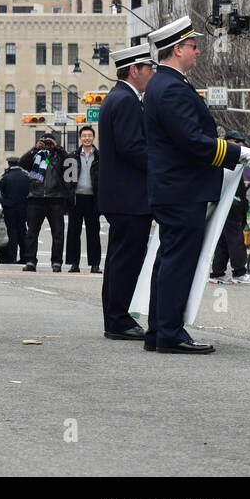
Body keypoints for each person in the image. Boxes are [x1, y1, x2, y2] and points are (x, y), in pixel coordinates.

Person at [142, 16, 250, 354]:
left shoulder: (165, 85)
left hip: (175, 187)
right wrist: (233, 152)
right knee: (178, 261)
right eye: (192, 46)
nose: (198, 51)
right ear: (177, 49)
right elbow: (192, 140)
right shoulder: (171, 88)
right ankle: (170, 333)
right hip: (181, 188)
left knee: (169, 258)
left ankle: (159, 330)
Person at [98, 44, 155, 341]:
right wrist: (161, 165)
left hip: (121, 195)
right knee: (127, 258)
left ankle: (114, 317)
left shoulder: (117, 98)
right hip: (129, 197)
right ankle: (119, 320)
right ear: (134, 70)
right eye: (149, 68)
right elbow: (132, 148)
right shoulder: (126, 101)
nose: (152, 73)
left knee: (118, 258)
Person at [19, 132, 72, 272]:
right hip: (35, 198)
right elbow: (22, 162)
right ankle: (30, 260)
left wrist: (58, 148)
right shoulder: (36, 156)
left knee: (58, 233)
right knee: (31, 233)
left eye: (50, 142)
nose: (47, 145)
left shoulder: (59, 157)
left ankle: (56, 262)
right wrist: (35, 148)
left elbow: (71, 164)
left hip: (56, 198)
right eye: (45, 142)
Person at [209, 130, 250, 285]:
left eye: (242, 141)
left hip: (231, 202)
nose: (241, 143)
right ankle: (239, 272)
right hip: (230, 202)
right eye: (237, 141)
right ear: (228, 141)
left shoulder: (233, 157)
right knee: (235, 238)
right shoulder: (225, 156)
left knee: (224, 239)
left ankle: (217, 272)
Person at [65, 125, 102, 273]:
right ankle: (74, 263)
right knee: (74, 232)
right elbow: (68, 180)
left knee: (93, 232)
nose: (87, 138)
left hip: (93, 200)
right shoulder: (73, 157)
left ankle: (95, 264)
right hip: (76, 199)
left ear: (93, 138)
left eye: (89, 136)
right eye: (84, 136)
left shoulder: (100, 157)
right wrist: (69, 197)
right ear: (80, 138)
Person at [0, 157, 29, 264]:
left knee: (12, 233)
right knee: (23, 233)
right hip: (23, 209)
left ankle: (12, 257)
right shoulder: (26, 176)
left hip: (9, 210)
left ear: (9, 164)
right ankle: (25, 257)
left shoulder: (6, 177)